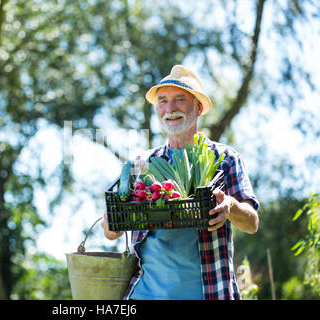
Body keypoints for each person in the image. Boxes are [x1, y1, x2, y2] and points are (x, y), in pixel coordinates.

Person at [101, 65, 259, 300]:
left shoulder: (224, 159)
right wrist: (114, 219)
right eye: (163, 101)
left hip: (210, 292)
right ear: (157, 109)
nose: (170, 108)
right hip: (146, 294)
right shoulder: (141, 164)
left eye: (180, 99)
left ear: (198, 107)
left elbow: (252, 223)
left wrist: (230, 206)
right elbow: (109, 232)